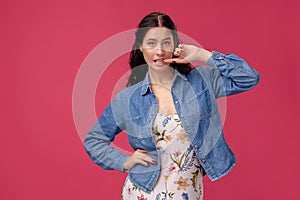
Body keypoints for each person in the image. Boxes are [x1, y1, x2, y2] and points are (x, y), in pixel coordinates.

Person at [84, 12, 260, 200]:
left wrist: (202, 54)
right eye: (151, 43)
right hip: (142, 193)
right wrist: (124, 161)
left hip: (187, 192)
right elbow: (94, 140)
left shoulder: (201, 81)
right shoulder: (128, 99)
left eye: (166, 42)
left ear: (175, 45)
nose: (159, 51)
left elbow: (248, 78)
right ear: (141, 47)